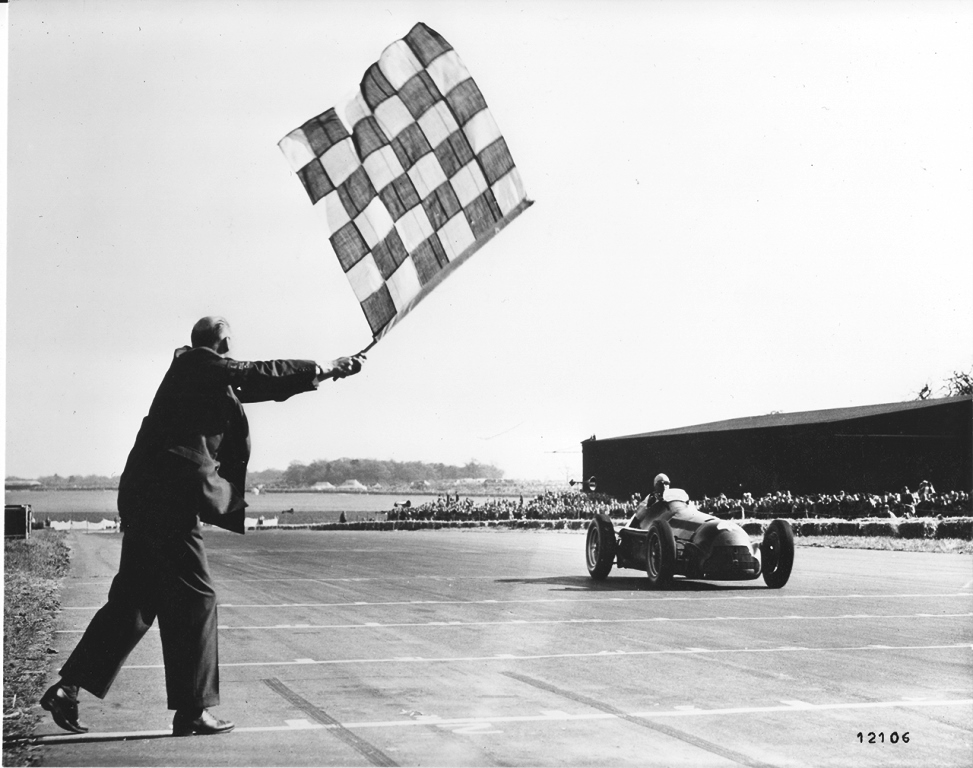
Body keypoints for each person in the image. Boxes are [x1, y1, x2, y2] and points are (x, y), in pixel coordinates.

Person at [40, 316, 363, 736]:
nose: (231, 349)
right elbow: (254, 373)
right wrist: (322, 365)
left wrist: (328, 371)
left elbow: (261, 384)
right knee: (197, 599)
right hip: (167, 499)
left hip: (151, 497)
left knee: (135, 602)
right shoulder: (196, 364)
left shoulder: (201, 375)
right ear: (222, 341)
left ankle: (69, 689)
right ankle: (192, 711)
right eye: (229, 341)